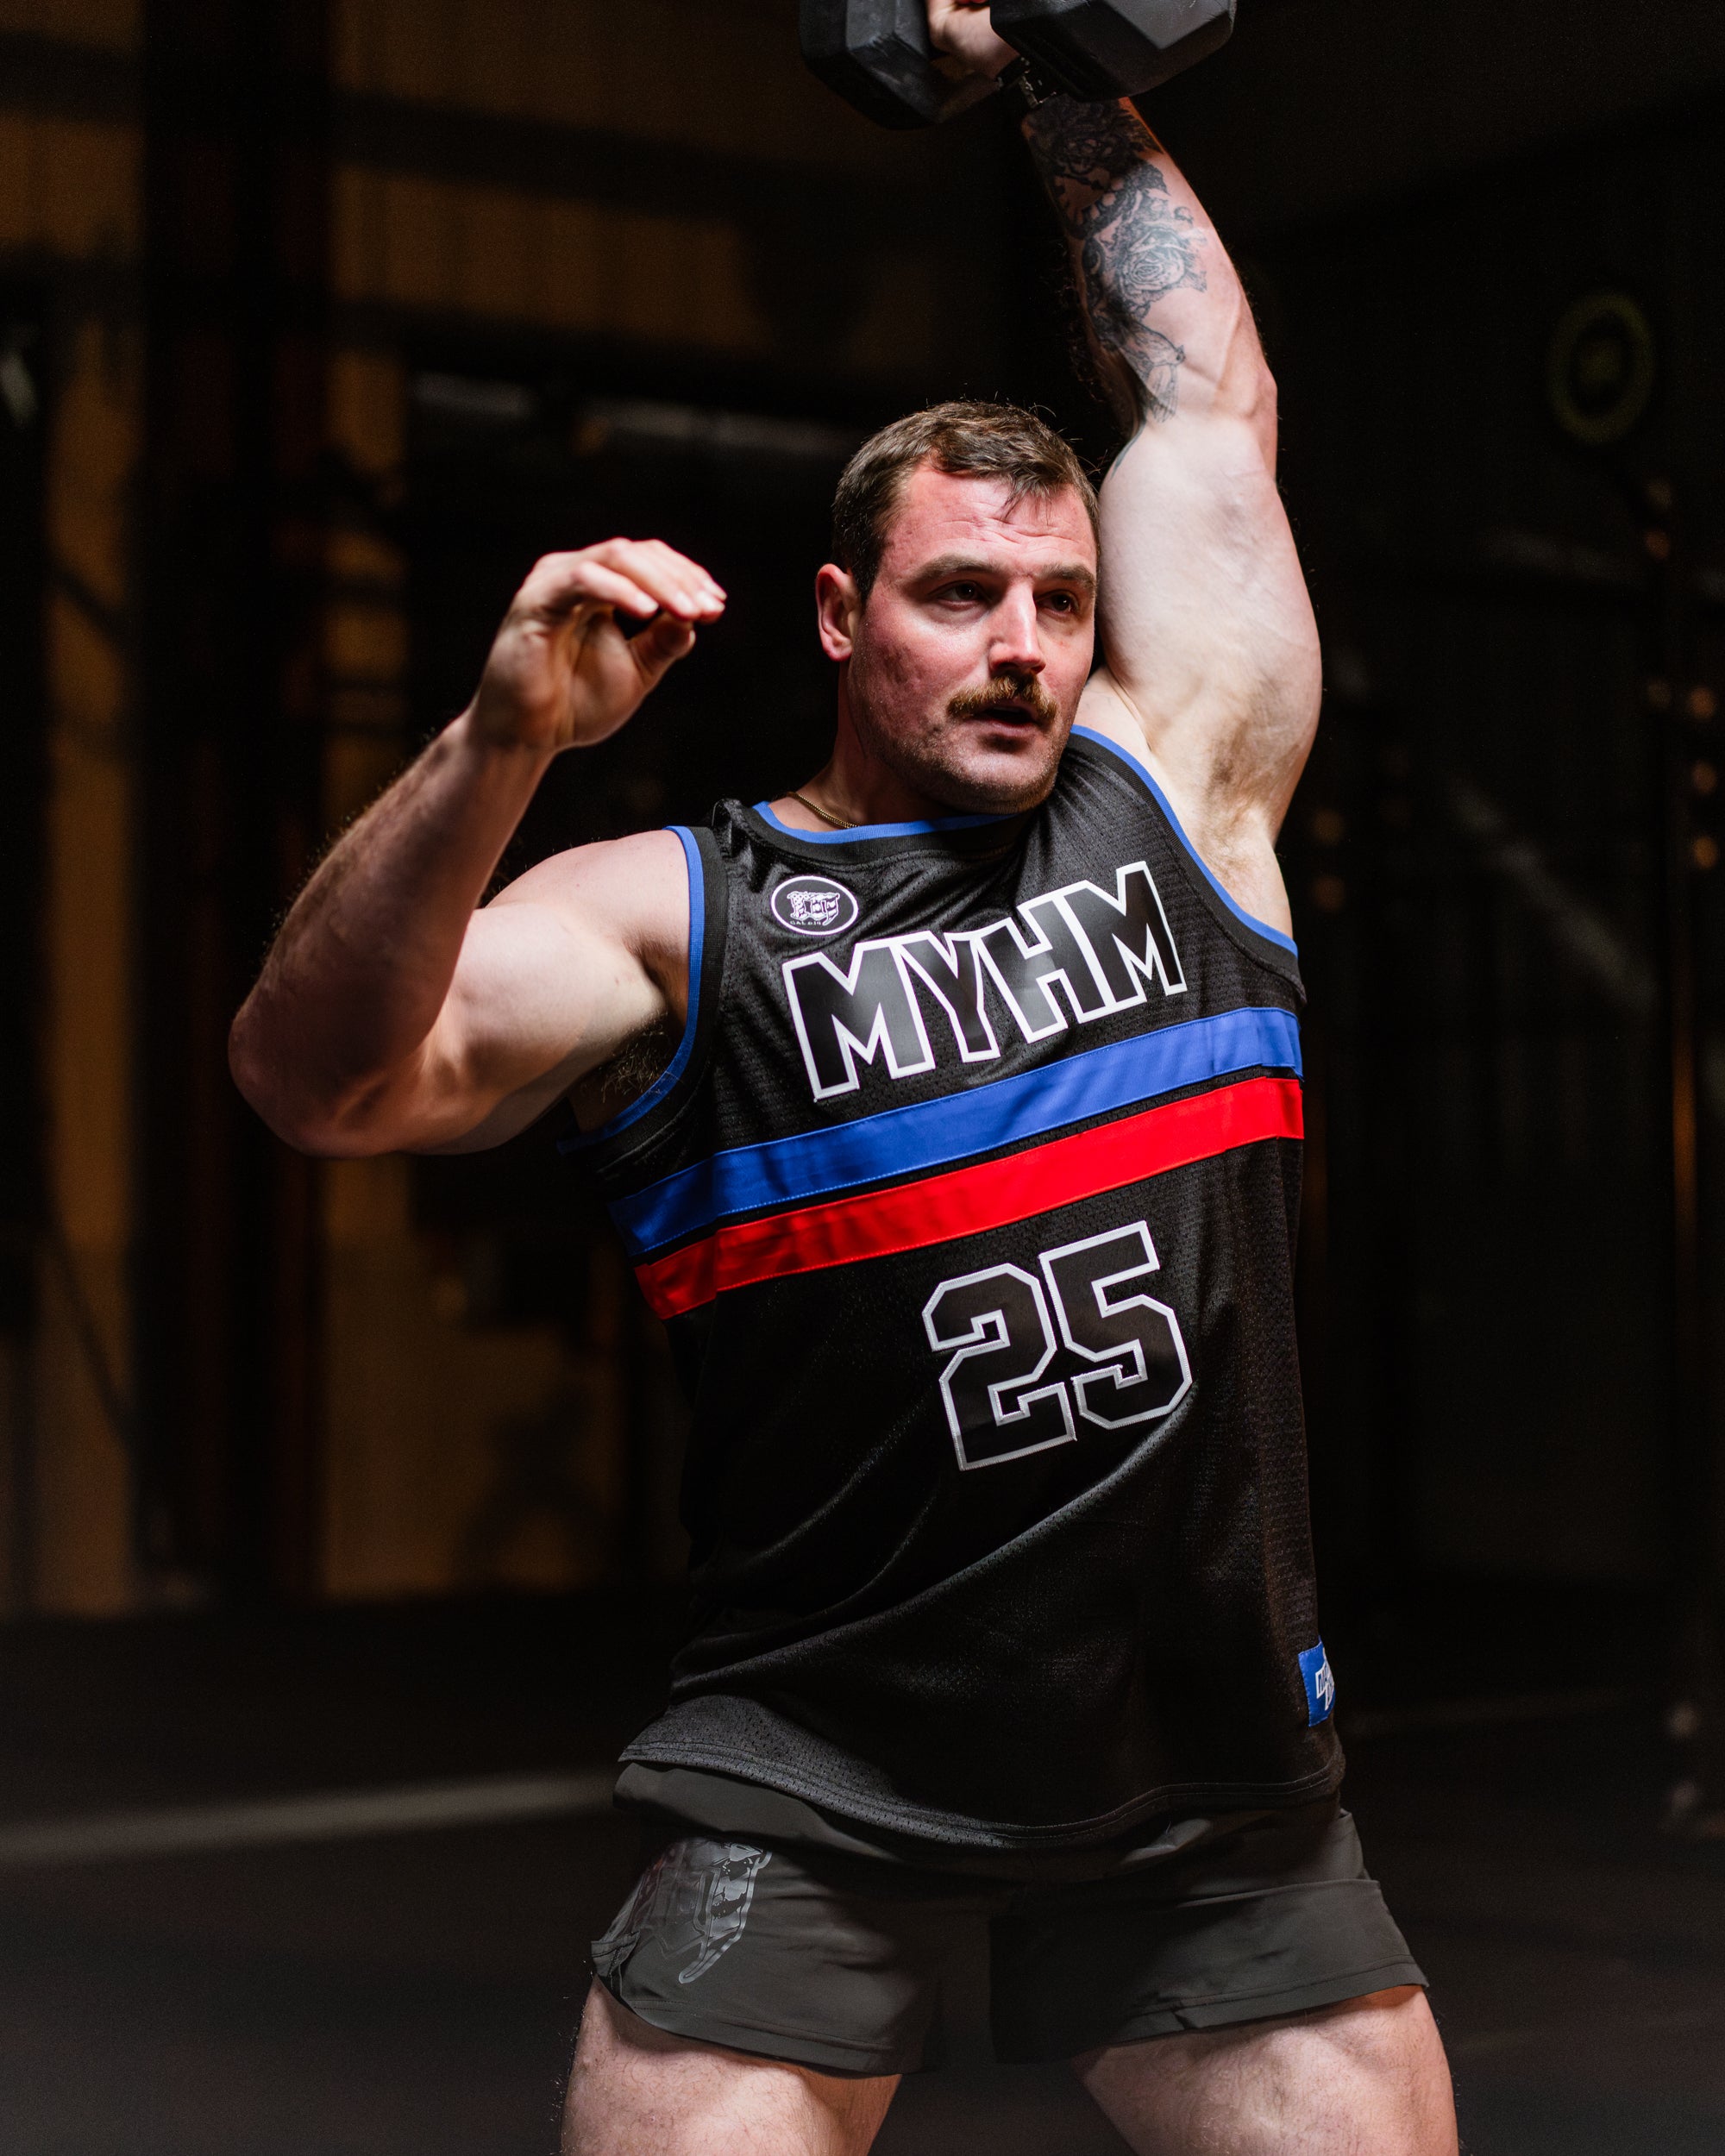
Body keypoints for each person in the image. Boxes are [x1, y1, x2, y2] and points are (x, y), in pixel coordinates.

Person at [230, 6, 1458, 2149]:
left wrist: (1053, 57)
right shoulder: (683, 913)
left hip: (1210, 1789)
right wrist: (502, 741)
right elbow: (318, 1078)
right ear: (835, 614)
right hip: (819, 1780)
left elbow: (1204, 401)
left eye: (1059, 598)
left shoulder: (1181, 799)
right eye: (959, 593)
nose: (1022, 644)